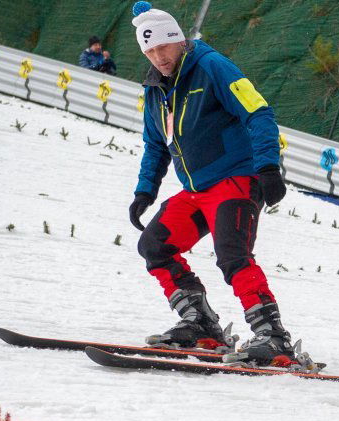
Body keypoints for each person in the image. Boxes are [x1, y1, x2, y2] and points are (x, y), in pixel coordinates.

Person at [127, 2, 298, 367]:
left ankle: (273, 337)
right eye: (150, 50)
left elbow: (258, 112)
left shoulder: (211, 66)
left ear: (179, 41)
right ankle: (201, 323)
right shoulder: (154, 89)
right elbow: (156, 143)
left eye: (163, 47)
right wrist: (145, 190)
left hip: (236, 178)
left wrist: (268, 167)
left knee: (233, 255)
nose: (159, 57)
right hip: (196, 189)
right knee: (155, 246)